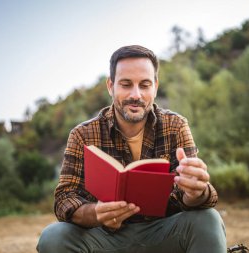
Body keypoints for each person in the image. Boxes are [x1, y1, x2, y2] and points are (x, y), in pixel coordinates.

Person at [37, 45, 226, 253]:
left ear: (155, 87)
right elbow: (64, 198)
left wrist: (195, 192)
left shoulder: (176, 126)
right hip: (104, 238)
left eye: (144, 85)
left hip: (163, 235)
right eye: (126, 84)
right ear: (111, 86)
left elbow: (198, 197)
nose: (136, 95)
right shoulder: (82, 135)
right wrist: (96, 213)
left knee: (208, 219)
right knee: (53, 237)